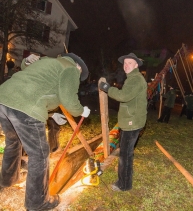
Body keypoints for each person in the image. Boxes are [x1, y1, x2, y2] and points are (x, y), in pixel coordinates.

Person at [0, 53, 91, 211]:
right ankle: (37, 202)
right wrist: (82, 111)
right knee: (39, 154)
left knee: (13, 143)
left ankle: (8, 180)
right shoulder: (71, 70)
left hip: (4, 98)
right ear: (79, 67)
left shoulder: (49, 62)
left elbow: (34, 84)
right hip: (25, 106)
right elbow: (68, 98)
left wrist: (52, 114)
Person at [99, 52, 147, 192]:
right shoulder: (133, 78)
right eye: (125, 63)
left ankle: (124, 184)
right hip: (133, 120)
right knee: (127, 152)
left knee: (125, 154)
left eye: (129, 63)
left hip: (132, 122)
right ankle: (125, 181)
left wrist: (107, 88)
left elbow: (124, 96)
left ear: (136, 65)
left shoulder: (135, 79)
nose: (126, 66)